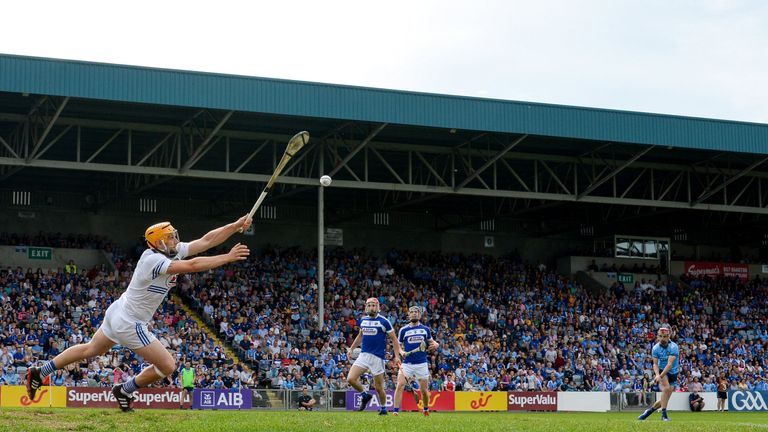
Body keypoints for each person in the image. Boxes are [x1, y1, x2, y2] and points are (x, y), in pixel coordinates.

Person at [26, 217, 252, 412]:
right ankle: (124, 389)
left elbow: (206, 241)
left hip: (119, 311)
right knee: (168, 367)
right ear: (161, 242)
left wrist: (235, 226)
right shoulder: (153, 260)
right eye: (172, 237)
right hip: (130, 323)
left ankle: (40, 371)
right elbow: (192, 266)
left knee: (91, 349)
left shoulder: (168, 250)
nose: (176, 240)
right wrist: (227, 257)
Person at [346, 298, 404, 415]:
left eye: (374, 305)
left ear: (378, 307)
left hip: (377, 358)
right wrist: (351, 348)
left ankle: (383, 408)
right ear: (366, 307)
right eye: (369, 305)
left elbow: (394, 339)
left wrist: (397, 356)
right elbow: (360, 336)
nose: (371, 307)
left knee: (378, 388)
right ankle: (365, 395)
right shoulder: (363, 320)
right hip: (363, 355)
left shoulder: (384, 321)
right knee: (350, 379)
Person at [392, 306, 439, 417]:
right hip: (407, 363)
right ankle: (395, 411)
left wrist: (436, 344)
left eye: (416, 312)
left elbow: (432, 342)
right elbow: (397, 345)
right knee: (400, 385)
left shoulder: (425, 329)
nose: (414, 314)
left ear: (419, 315)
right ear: (408, 314)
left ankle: (426, 409)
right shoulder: (403, 330)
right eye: (411, 312)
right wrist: (401, 352)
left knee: (423, 390)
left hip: (422, 363)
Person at [638, 327, 679, 422]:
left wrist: (659, 376)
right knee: (666, 388)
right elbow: (655, 364)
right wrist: (657, 374)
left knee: (665, 398)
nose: (662, 339)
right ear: (657, 336)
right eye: (660, 336)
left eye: (665, 336)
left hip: (673, 372)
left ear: (669, 336)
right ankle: (664, 415)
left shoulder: (674, 347)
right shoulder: (655, 348)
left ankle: (649, 411)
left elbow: (669, 365)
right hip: (661, 370)